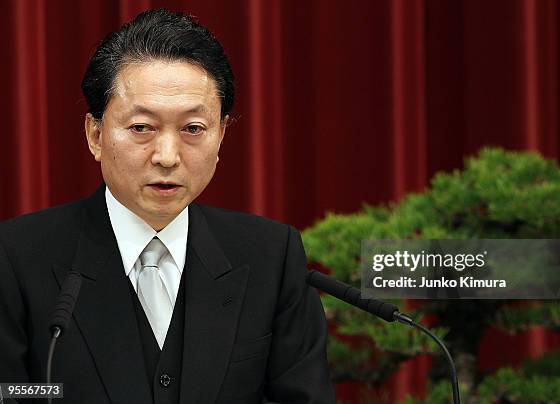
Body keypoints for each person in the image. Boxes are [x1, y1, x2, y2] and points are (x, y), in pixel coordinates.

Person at [0, 9, 335, 404]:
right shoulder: (17, 256)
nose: (167, 156)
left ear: (221, 135)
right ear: (95, 135)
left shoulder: (271, 256)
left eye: (193, 129)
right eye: (142, 127)